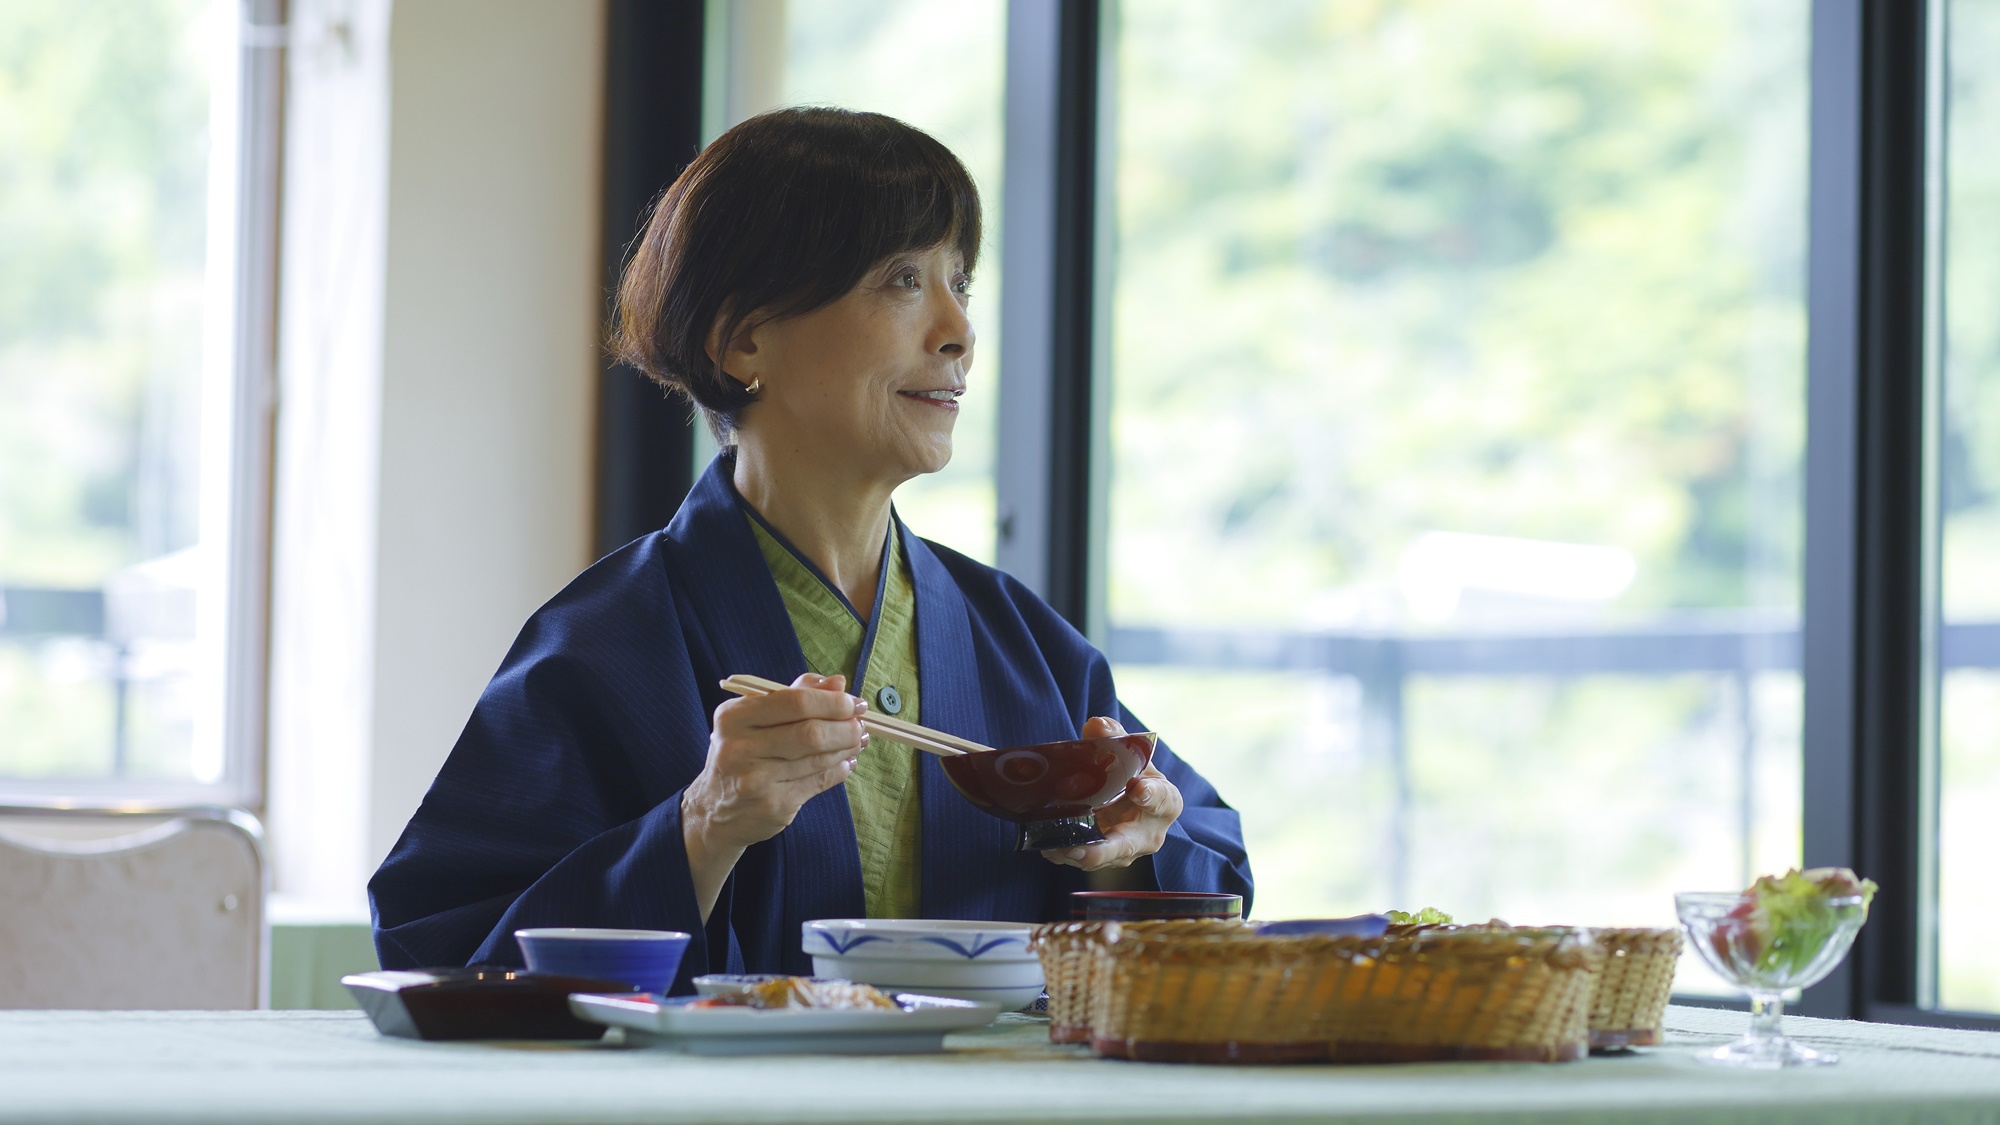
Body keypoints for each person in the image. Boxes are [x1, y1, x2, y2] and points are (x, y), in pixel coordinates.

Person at [368, 107, 1252, 991]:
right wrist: (702, 824)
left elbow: (1212, 857)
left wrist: (1133, 846)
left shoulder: (1018, 639)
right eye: (903, 280)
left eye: (961, 282)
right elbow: (441, 951)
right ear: (742, 338)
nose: (958, 331)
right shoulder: (606, 645)